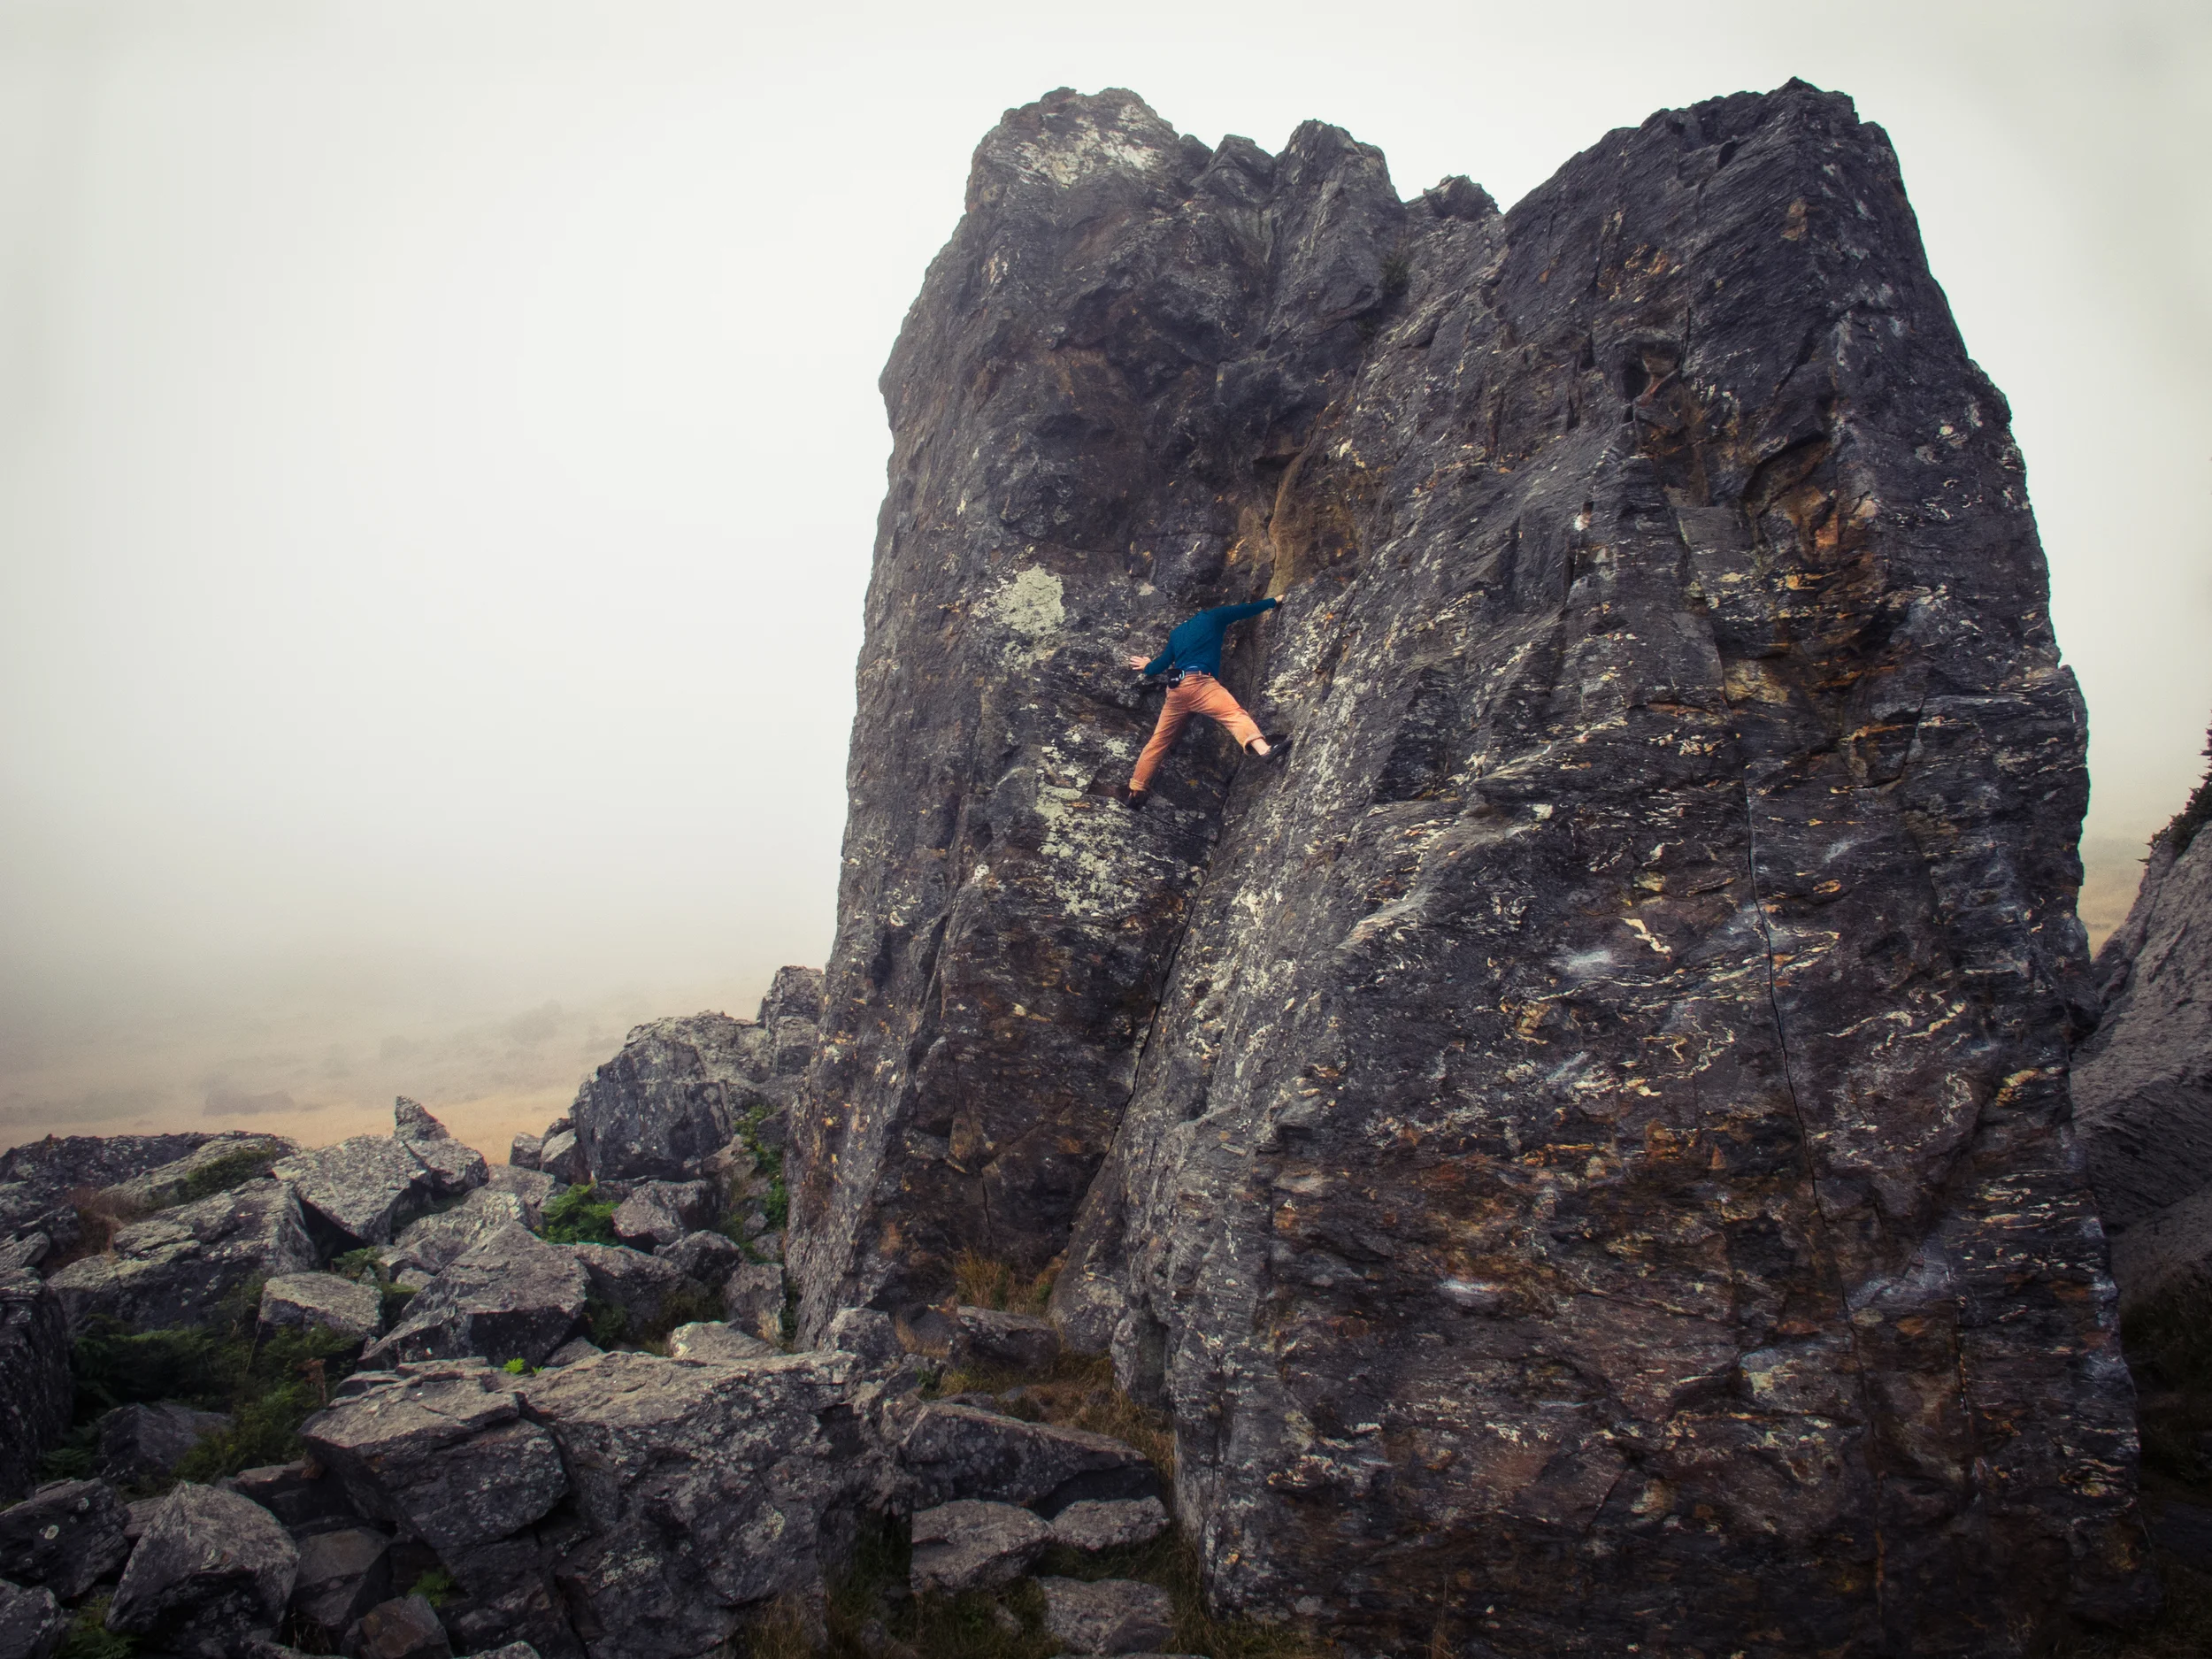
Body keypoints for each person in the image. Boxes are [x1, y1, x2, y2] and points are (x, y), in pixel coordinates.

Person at [1122, 595, 1288, 810]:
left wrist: (1147, 665)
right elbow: (1246, 610)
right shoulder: (1214, 617)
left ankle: (1135, 791)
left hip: (1176, 690)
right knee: (1233, 714)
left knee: (1158, 741)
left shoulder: (1177, 633)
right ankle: (1265, 750)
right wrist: (1275, 600)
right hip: (1201, 683)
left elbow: (1159, 665)